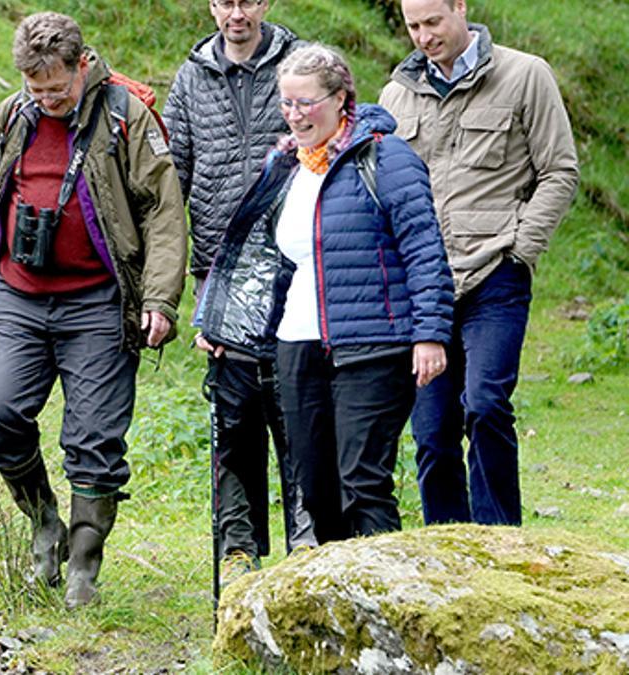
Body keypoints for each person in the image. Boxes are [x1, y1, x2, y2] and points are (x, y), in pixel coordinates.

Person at [0, 12, 186, 608]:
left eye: (57, 89)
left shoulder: (125, 115)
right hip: (17, 293)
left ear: (83, 65)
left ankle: (83, 569)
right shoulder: (13, 116)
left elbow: (163, 211)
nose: (47, 100)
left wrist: (161, 298)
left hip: (98, 299)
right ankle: (43, 520)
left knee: (93, 439)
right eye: (36, 89)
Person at [197, 44, 454, 544]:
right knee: (314, 489)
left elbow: (425, 250)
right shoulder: (286, 163)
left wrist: (430, 334)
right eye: (286, 103)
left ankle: (386, 603)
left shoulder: (386, 158)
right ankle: (339, 604)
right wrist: (218, 322)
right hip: (297, 345)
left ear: (340, 99)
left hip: (374, 343)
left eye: (306, 103)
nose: (294, 115)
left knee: (363, 483)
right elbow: (256, 254)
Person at [380, 0, 579, 526]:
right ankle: (448, 549)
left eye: (433, 22)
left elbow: (559, 171)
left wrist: (521, 248)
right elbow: (383, 190)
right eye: (413, 26)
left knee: (485, 404)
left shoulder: (524, 75)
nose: (423, 36)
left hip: (495, 274)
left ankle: (499, 542)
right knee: (432, 431)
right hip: (424, 285)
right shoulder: (396, 94)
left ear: (460, 8)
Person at [163, 0, 313, 578]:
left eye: (248, 0)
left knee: (297, 404)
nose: (236, 13)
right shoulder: (191, 75)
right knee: (234, 414)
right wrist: (178, 283)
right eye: (225, 1)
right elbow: (171, 176)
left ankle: (308, 535)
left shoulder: (299, 65)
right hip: (220, 275)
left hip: (295, 270)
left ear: (266, 3)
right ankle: (238, 548)